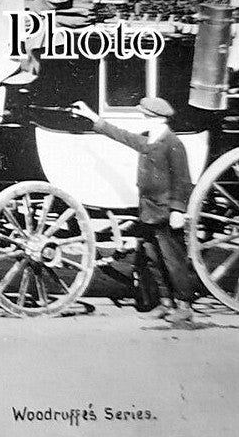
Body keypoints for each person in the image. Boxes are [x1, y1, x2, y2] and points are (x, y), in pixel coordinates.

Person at [70, 97, 195, 325]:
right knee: (153, 259)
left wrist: (178, 210)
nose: (142, 117)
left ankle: (184, 306)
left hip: (166, 212)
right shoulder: (150, 139)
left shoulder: (173, 143)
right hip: (148, 211)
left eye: (144, 114)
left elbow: (182, 181)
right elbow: (123, 136)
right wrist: (93, 117)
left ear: (155, 118)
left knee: (173, 260)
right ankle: (165, 303)